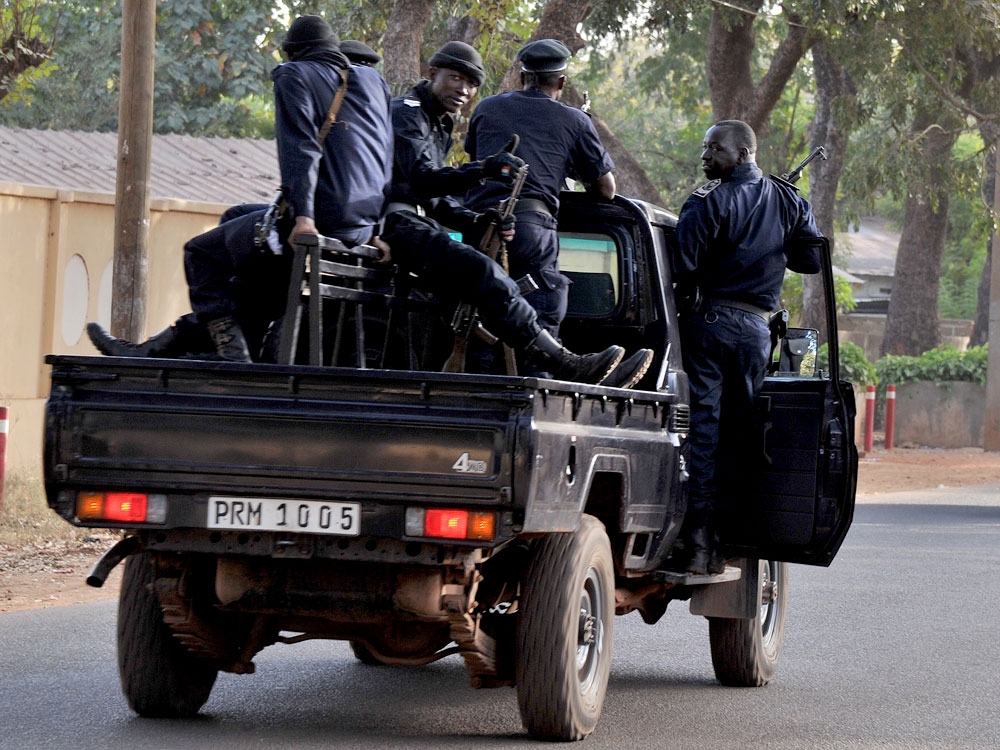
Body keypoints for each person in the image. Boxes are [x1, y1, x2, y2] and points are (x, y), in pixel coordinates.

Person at [88, 15, 393, 362]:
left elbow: (301, 149)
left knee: (201, 253)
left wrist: (304, 218)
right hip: (360, 227)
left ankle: (232, 353)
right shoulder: (373, 82)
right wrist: (376, 229)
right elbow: (385, 155)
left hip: (321, 220)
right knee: (236, 221)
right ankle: (157, 347)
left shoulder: (295, 74)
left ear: (293, 54)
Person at [669, 119, 823, 574]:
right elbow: (810, 259)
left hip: (710, 324)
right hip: (757, 332)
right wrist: (776, 229)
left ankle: (697, 543)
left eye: (712, 148)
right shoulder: (788, 200)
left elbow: (682, 266)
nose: (704, 156)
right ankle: (733, 535)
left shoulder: (708, 200)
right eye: (704, 147)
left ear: (741, 154)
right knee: (743, 434)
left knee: (704, 431)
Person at [464, 39, 617, 370]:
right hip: (530, 229)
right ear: (561, 82)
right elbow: (606, 189)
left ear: (522, 76)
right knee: (540, 315)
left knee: (483, 316)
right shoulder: (575, 120)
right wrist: (572, 160)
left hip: (476, 226)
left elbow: (479, 159)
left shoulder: (486, 107)